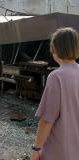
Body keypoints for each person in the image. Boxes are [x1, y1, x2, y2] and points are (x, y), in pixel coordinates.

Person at [30, 27, 79, 160]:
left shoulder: (57, 76)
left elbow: (47, 120)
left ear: (55, 48)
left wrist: (36, 149)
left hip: (59, 151)